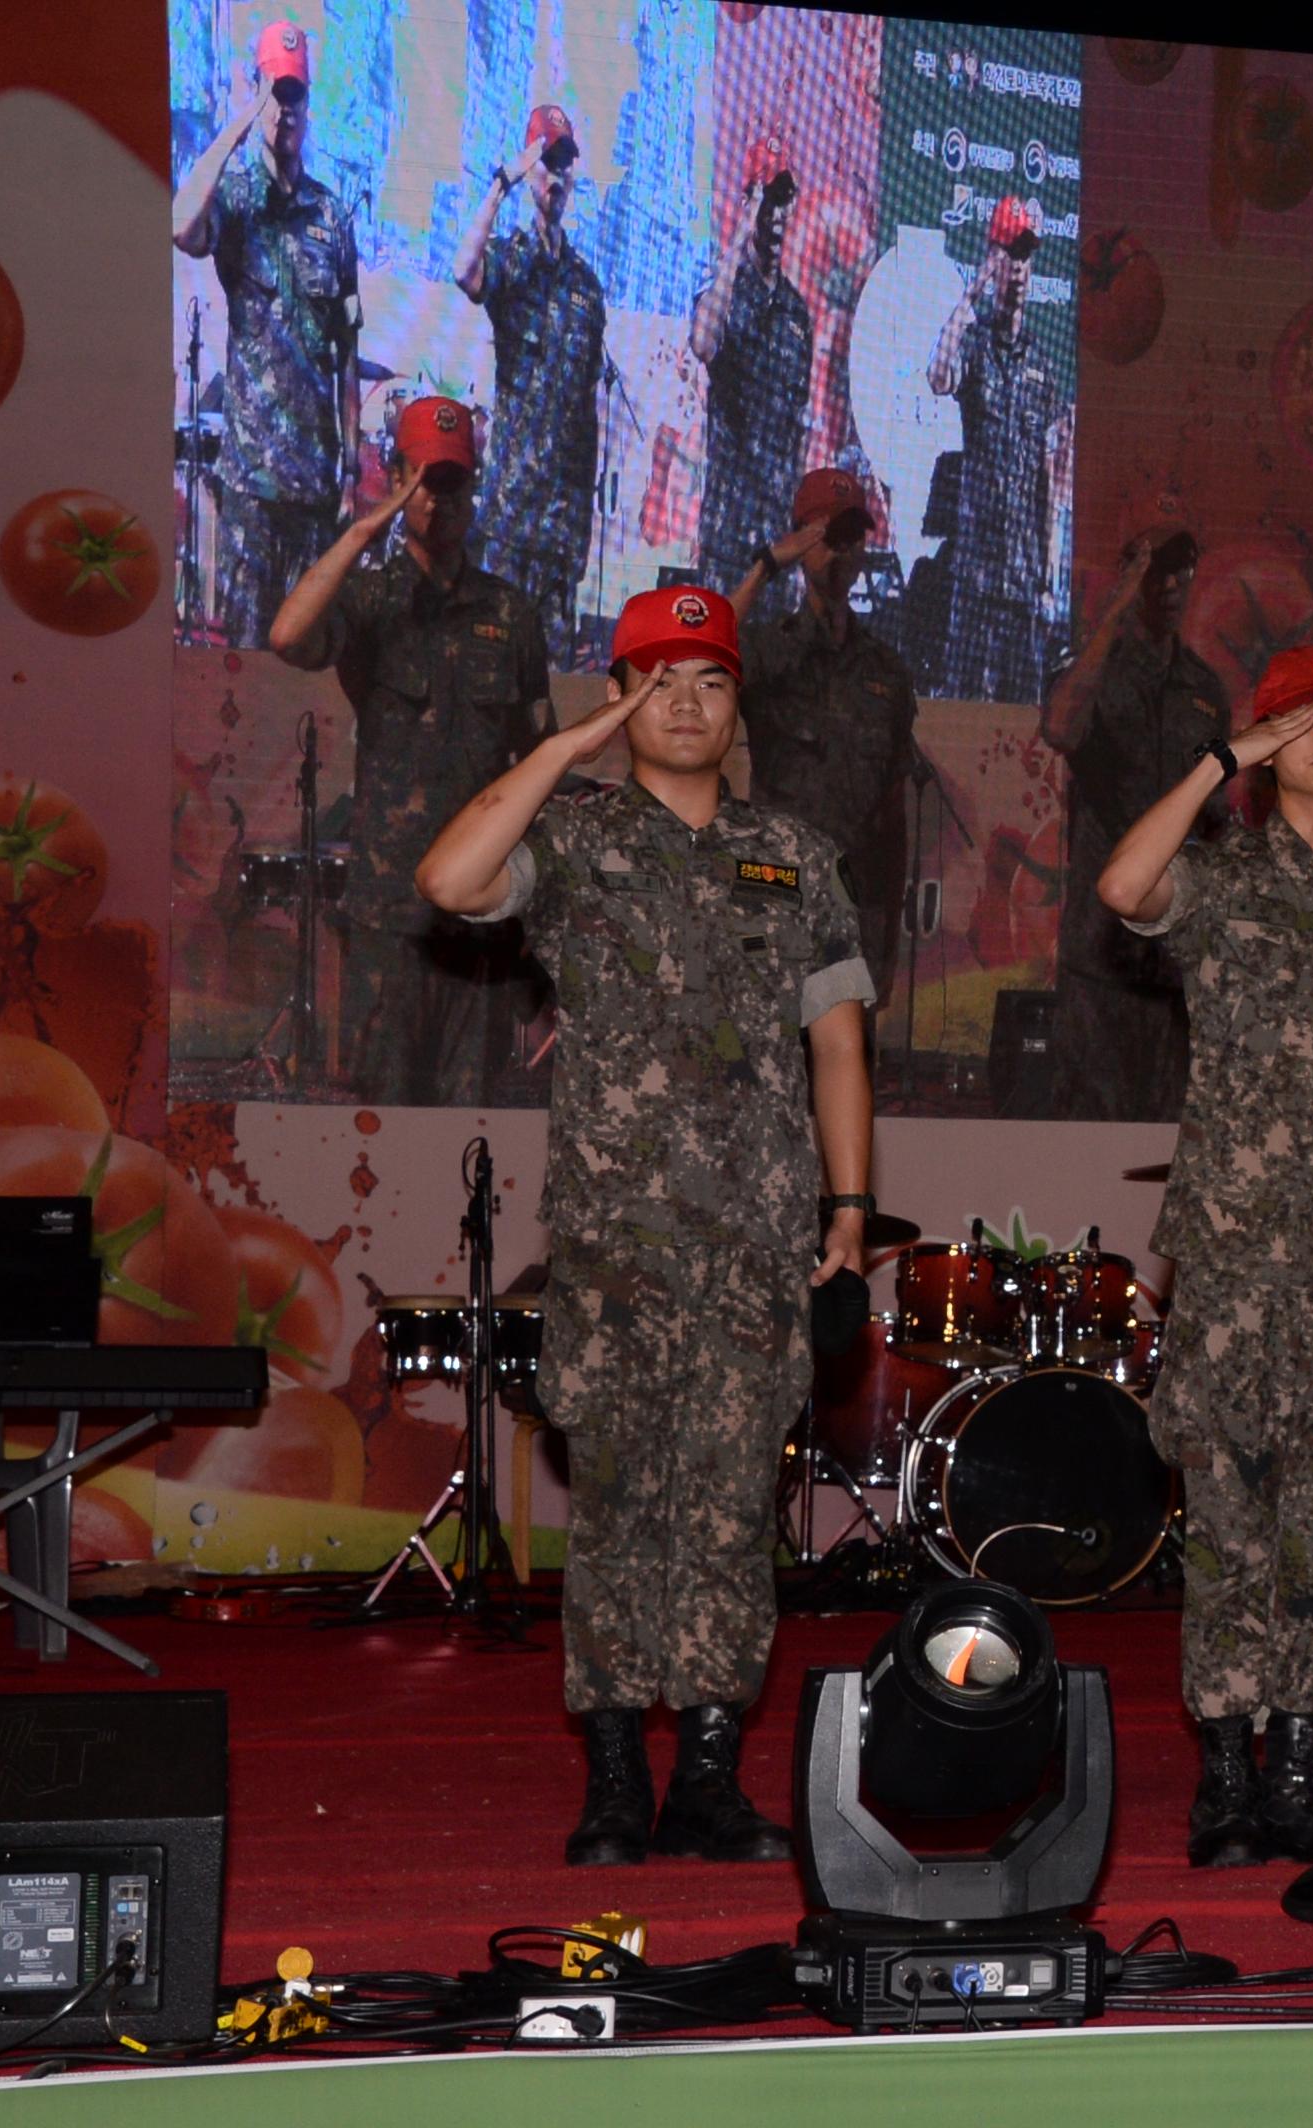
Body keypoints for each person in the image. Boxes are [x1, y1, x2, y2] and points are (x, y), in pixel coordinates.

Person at [414, 586, 875, 1867]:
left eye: (709, 681)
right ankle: (616, 1780)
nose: (685, 703)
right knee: (616, 1511)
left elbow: (838, 1043)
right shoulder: (574, 843)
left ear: (738, 708)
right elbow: (448, 877)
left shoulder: (796, 854)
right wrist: (564, 747)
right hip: (616, 1251)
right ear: (621, 701)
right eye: (655, 679)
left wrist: (845, 1209)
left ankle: (711, 1782)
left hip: (754, 1248)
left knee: (731, 1515)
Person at [1095, 644, 1313, 1867]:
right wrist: (1217, 758)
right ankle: (1223, 1780)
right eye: (1306, 716)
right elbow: (1121, 883)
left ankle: (1295, 1777)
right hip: (1238, 1262)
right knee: (1229, 1524)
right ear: (1264, 741)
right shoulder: (1221, 877)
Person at [267, 396, 553, 1105]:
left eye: (454, 483)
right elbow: (288, 637)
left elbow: (538, 759)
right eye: (425, 479)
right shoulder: (372, 601)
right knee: (383, 1131)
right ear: (396, 477)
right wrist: (366, 528)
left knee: (471, 1136)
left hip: (480, 921)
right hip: (388, 925)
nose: (440, 500)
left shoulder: (511, 616)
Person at [172, 18, 360, 646]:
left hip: (314, 490)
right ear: (259, 93)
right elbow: (180, 227)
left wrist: (354, 469)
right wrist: (239, 121)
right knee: (246, 663)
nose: (285, 111)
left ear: (308, 105)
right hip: (251, 487)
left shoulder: (332, 216)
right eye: (275, 93)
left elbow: (347, 351)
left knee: (307, 662)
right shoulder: (238, 199)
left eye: (294, 95)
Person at [1037, 527, 1231, 1118]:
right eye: (1155, 570)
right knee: (1089, 1150)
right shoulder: (1096, 667)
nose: (1170, 585)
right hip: (1102, 961)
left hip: (1174, 966)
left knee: (1165, 1154)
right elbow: (1062, 730)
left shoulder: (1205, 690)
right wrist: (1117, 606)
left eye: (1181, 568)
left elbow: (1214, 824)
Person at [733, 468, 921, 998]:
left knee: (845, 1071)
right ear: (802, 537)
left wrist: (887, 933)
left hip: (852, 901)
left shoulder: (886, 672)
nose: (840, 553)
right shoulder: (770, 650)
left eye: (852, 539)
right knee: (771, 1067)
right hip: (774, 892)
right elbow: (703, 659)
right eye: (827, 535)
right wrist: (768, 565)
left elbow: (892, 816)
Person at [452, 102, 607, 650]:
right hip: (512, 521)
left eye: (565, 164)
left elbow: (590, 411)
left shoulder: (586, 288)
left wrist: (584, 527)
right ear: (530, 169)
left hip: (561, 531)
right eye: (547, 161)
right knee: (495, 669)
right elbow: (464, 273)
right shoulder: (512, 261)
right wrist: (501, 184)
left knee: (555, 684)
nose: (557, 175)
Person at [928, 197, 1062, 701]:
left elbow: (1048, 483)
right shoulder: (976, 346)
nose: (1020, 269)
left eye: (1026, 256)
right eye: (1011, 253)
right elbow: (938, 376)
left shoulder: (1041, 366)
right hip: (976, 578)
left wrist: (1048, 579)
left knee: (1021, 717)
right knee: (969, 707)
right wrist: (974, 291)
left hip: (1024, 582)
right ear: (994, 256)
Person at [688, 135, 814, 598]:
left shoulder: (797, 313)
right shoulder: (723, 291)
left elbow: (800, 427)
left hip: (777, 541)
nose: (777, 215)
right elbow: (703, 343)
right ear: (748, 203)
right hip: (728, 538)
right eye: (767, 200)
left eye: (785, 201)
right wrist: (740, 232)